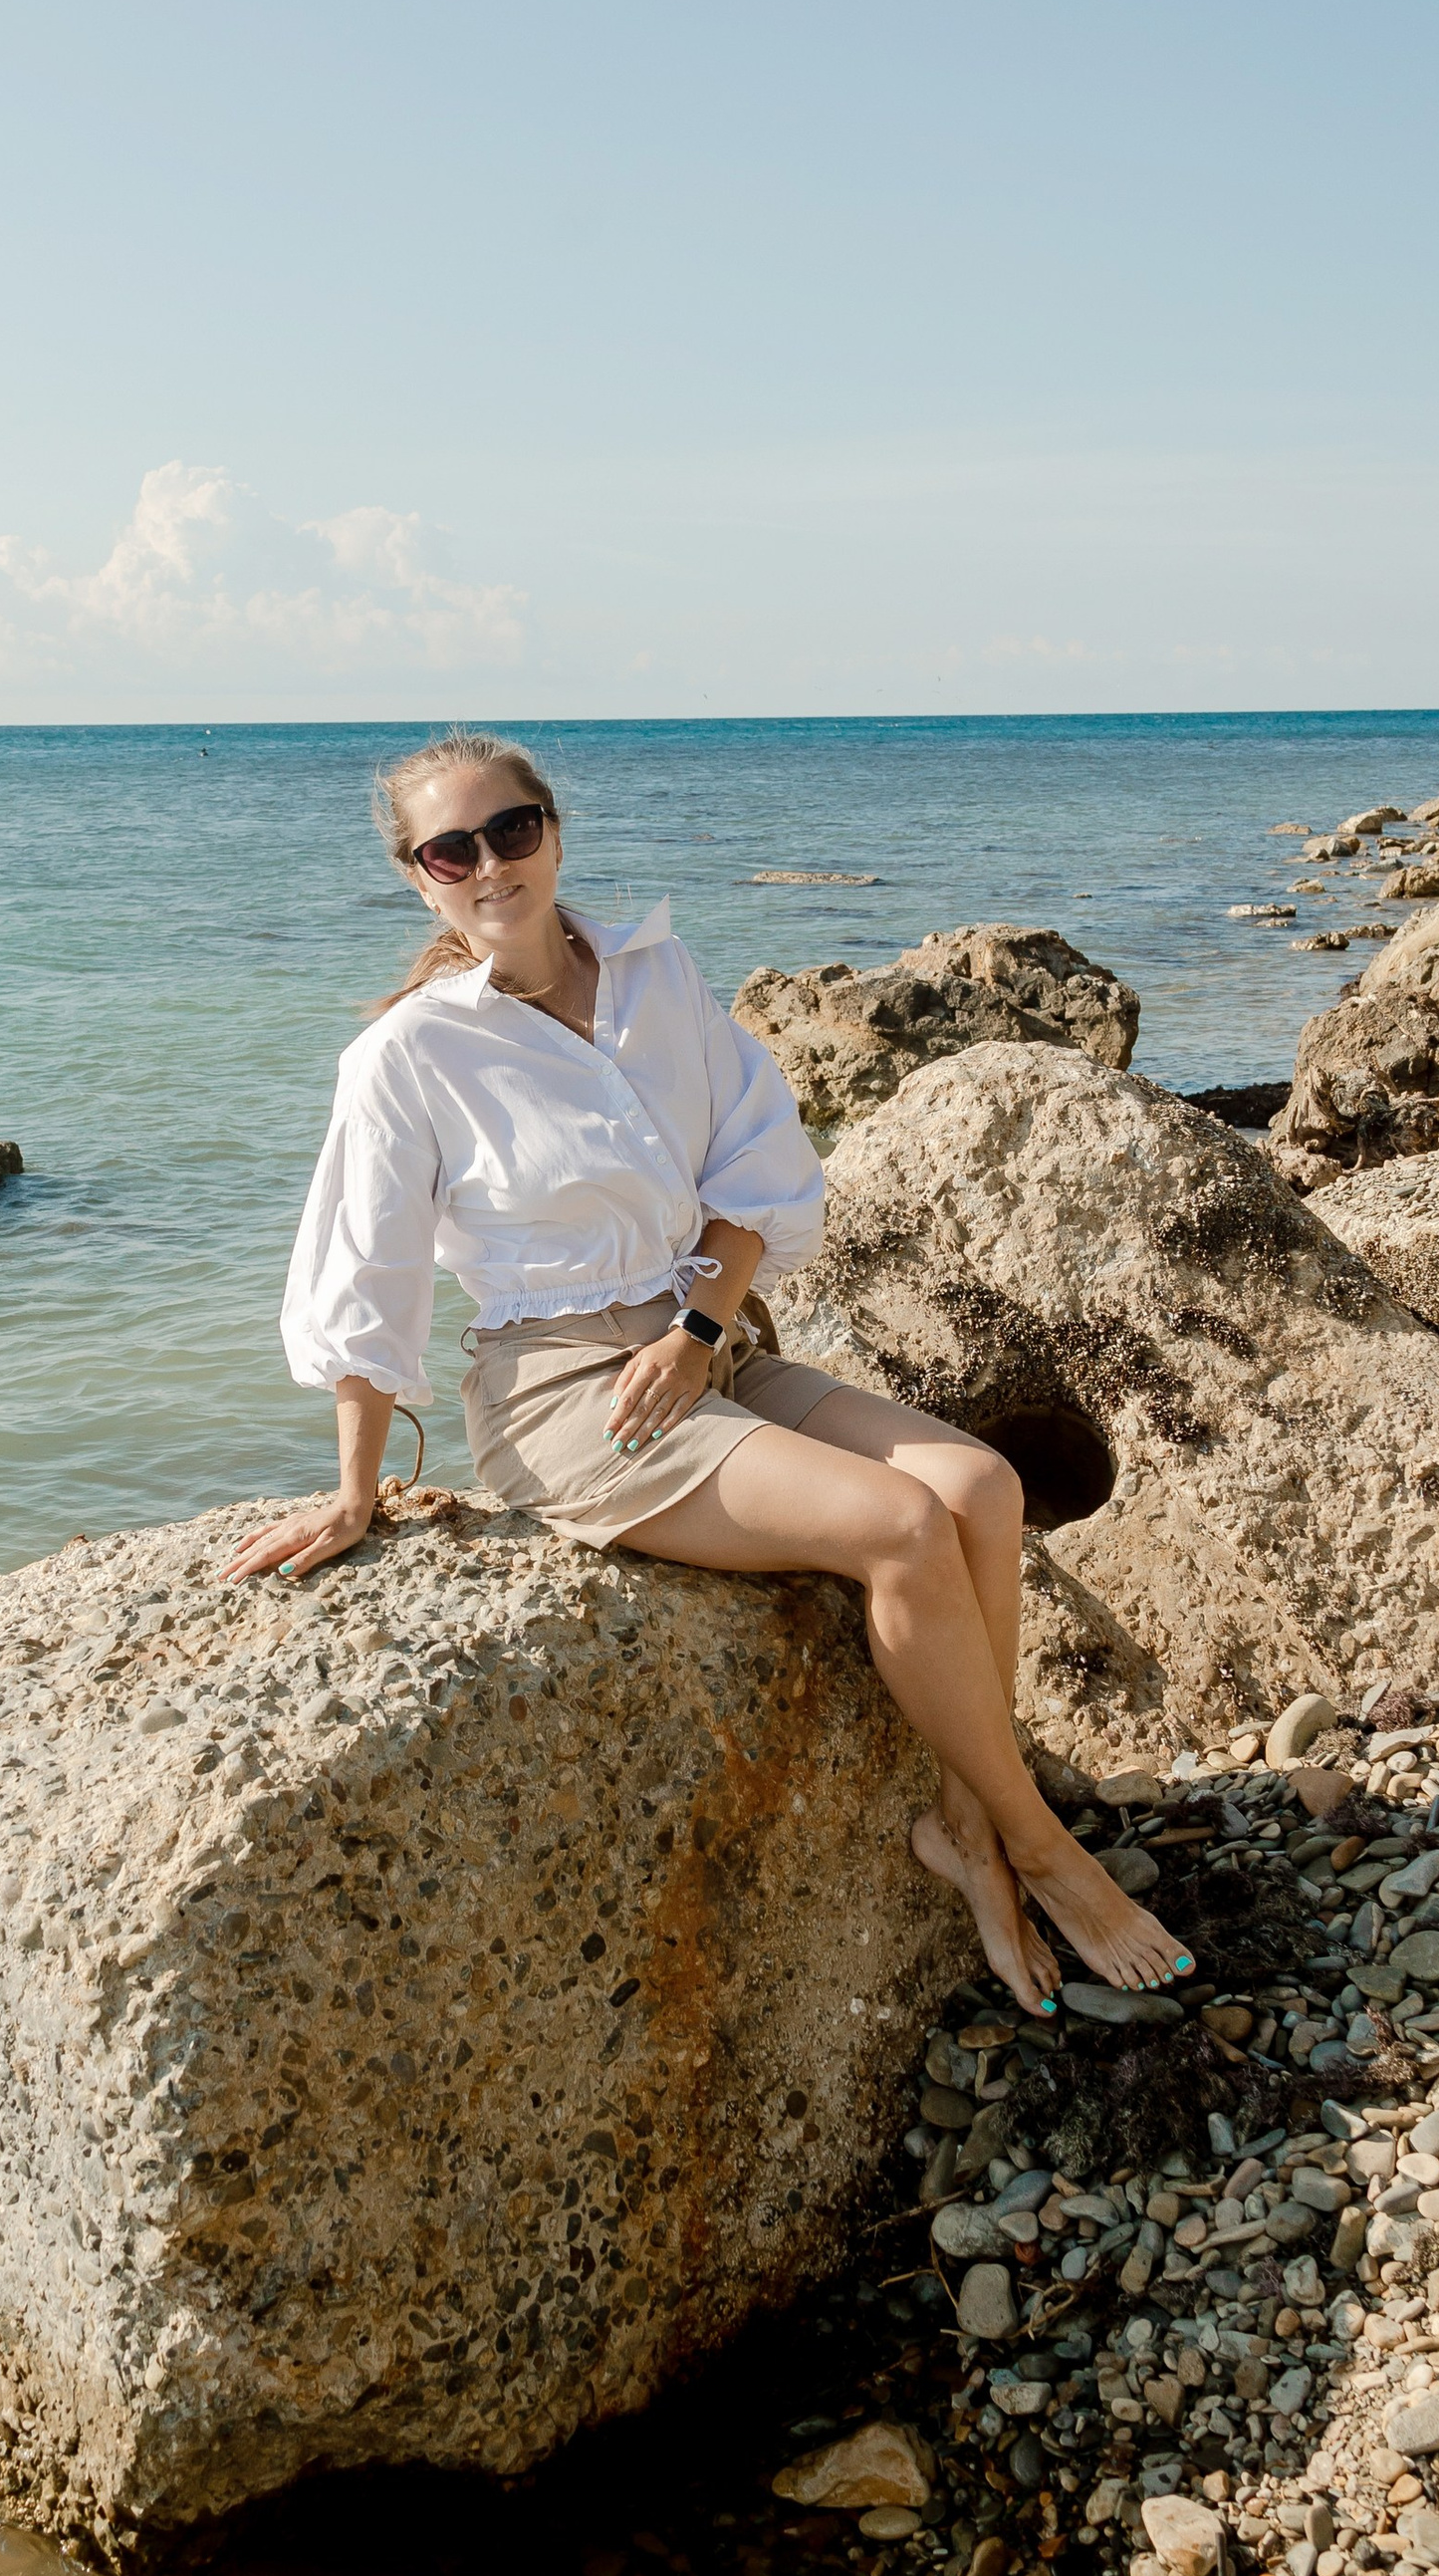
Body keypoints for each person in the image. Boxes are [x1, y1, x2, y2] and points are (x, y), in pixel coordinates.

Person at [221, 730, 1189, 2014]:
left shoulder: (656, 974)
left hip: (703, 1346)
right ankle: (1046, 1854)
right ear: (420, 878)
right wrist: (355, 1491)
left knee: (982, 1485)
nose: (490, 866)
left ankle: (968, 1817)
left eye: (511, 832)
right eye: (452, 851)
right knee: (900, 1527)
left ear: (553, 830)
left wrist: (702, 1329)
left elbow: (756, 1166)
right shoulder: (410, 1055)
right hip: (564, 1396)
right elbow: (366, 1270)